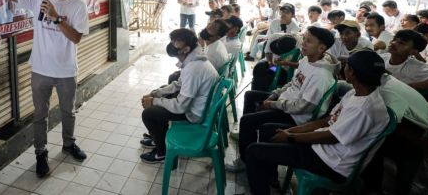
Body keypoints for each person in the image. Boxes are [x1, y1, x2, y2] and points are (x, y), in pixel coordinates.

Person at [0, 0, 89, 177]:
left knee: (68, 112)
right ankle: (40, 153)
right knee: (40, 115)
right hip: (41, 71)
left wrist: (55, 18)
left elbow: (76, 37)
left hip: (66, 71)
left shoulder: (77, 6)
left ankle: (69, 144)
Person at [244, 50, 390, 195]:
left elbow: (331, 137)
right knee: (267, 130)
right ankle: (269, 178)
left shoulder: (365, 108)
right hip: (323, 148)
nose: (343, 69)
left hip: (331, 163)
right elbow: (327, 121)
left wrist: (290, 137)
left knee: (253, 151)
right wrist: (291, 132)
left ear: (351, 72)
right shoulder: (356, 92)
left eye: (346, 66)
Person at [226, 26, 338, 174]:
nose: (303, 43)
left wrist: (273, 104)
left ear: (322, 47)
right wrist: (274, 95)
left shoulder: (322, 76)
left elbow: (303, 107)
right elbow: (292, 83)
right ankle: (247, 136)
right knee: (251, 95)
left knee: (248, 120)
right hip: (286, 104)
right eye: (303, 39)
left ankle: (246, 160)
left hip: (296, 117)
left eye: (308, 41)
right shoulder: (306, 60)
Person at [140, 29, 218, 163]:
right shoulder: (194, 58)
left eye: (176, 43)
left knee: (149, 113)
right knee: (164, 94)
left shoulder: (194, 68)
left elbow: (180, 107)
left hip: (196, 115)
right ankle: (157, 137)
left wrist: (154, 101)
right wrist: (156, 93)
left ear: (186, 49)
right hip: (199, 107)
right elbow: (178, 84)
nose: (173, 44)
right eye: (172, 41)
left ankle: (162, 152)